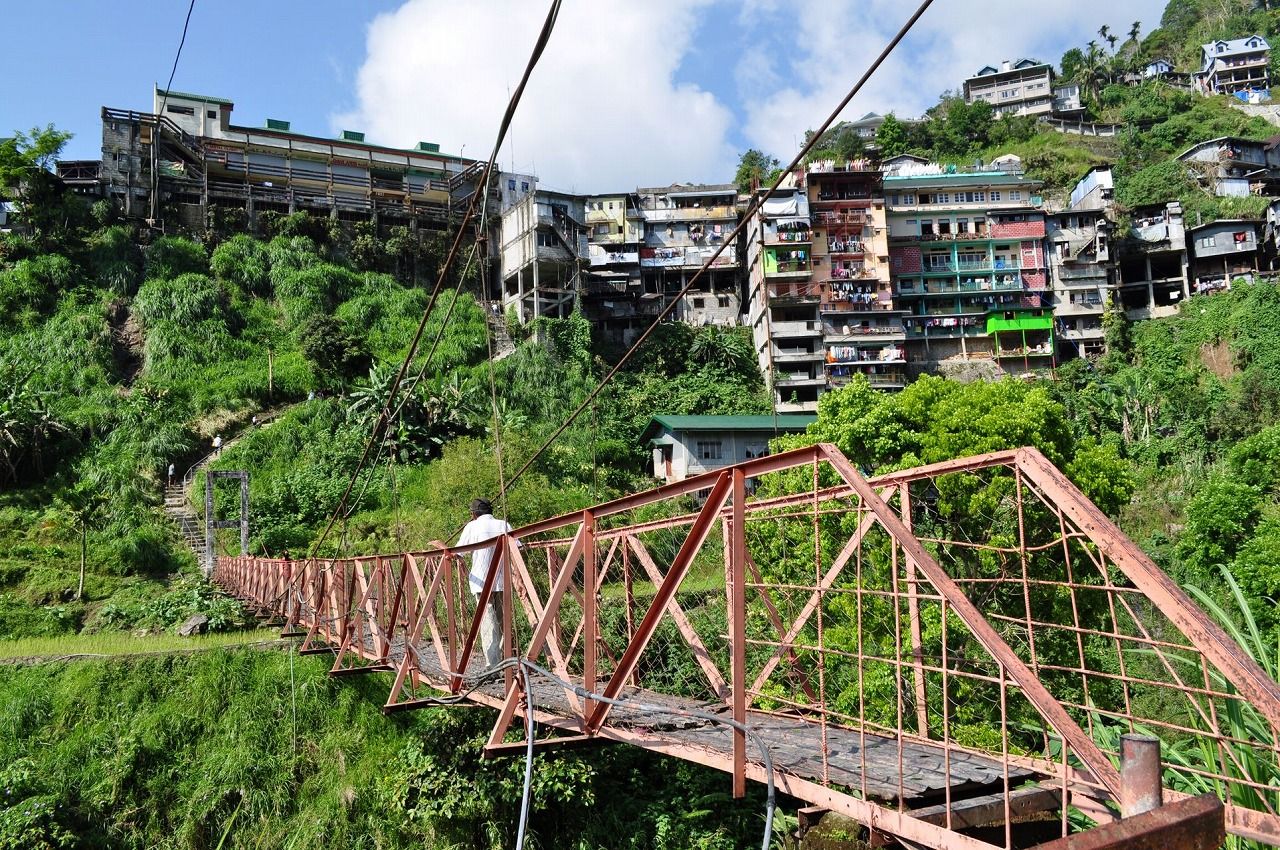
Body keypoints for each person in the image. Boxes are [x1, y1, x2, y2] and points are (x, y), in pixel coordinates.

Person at [455, 497, 512, 669]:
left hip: (481, 582)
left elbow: (459, 553)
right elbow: (519, 547)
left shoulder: (472, 526)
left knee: (488, 623)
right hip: (503, 581)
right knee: (503, 621)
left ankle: (492, 665)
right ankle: (504, 662)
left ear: (473, 514)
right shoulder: (504, 524)